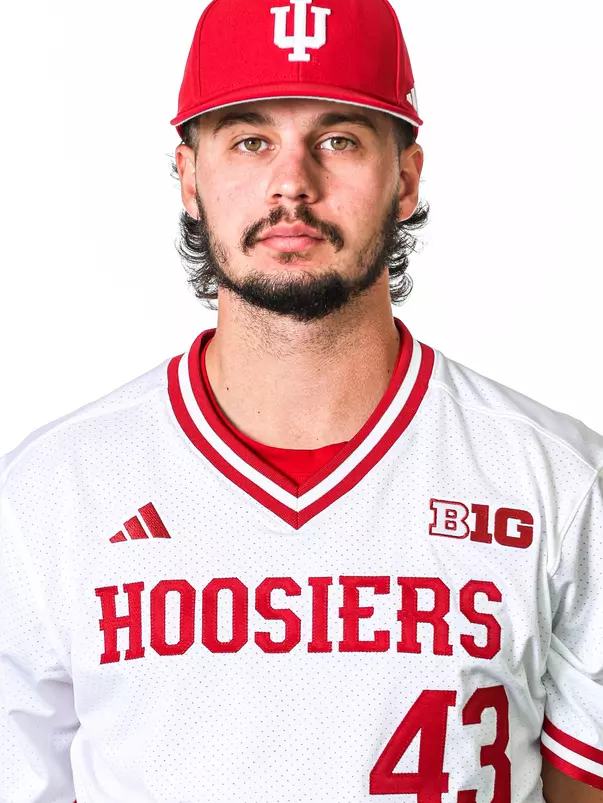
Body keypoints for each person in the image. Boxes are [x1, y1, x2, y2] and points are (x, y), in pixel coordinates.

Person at [1, 0, 602, 800]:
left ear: (406, 178)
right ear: (189, 176)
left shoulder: (555, 480)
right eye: (250, 140)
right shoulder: (52, 492)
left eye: (338, 140)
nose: (292, 182)